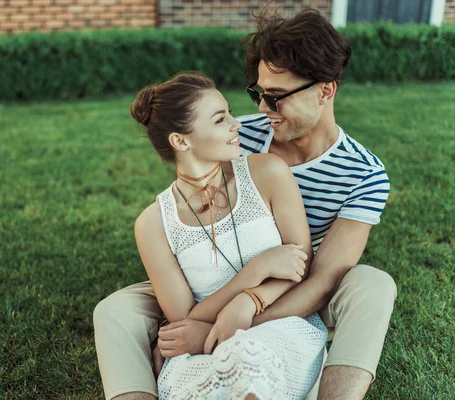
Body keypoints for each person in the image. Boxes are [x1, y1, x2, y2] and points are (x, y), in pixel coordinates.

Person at [94, 9, 397, 400]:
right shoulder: (242, 134)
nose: (261, 111)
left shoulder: (365, 174)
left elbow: (320, 278)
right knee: (116, 310)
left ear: (325, 90)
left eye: (276, 98)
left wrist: (236, 318)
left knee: (373, 284)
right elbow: (195, 203)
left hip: (295, 285)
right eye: (258, 94)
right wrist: (217, 307)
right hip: (215, 278)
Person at [130, 71, 328, 399]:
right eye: (221, 119)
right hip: (202, 349)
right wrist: (257, 270)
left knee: (251, 373)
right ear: (181, 141)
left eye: (230, 112)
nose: (237, 125)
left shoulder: (267, 172)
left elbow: (299, 265)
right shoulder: (153, 224)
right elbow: (186, 320)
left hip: (281, 329)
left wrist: (249, 301)